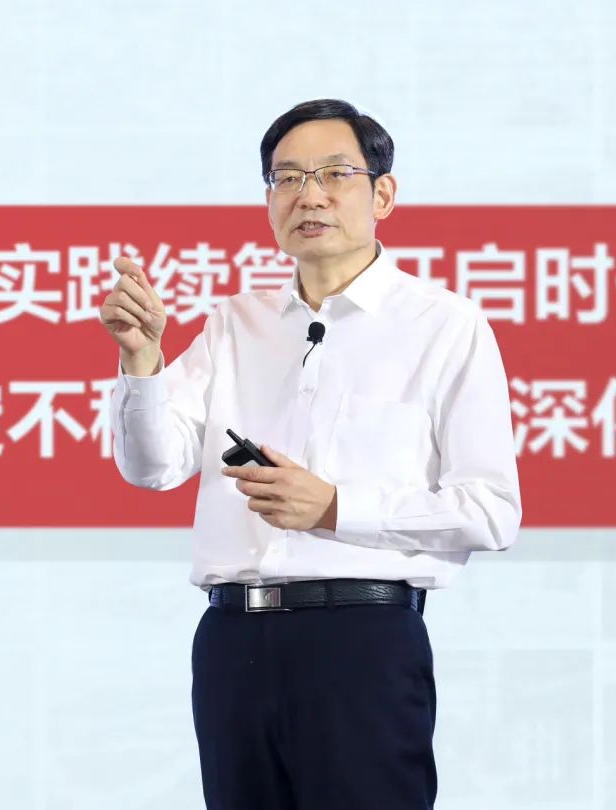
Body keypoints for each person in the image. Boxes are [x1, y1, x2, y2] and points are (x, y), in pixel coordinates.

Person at [99, 98, 522, 810]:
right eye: (287, 178)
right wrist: (143, 361)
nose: (309, 195)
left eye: (334, 174)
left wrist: (335, 508)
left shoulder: (444, 326)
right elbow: (152, 466)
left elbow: (491, 511)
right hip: (232, 641)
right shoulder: (236, 323)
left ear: (383, 194)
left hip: (360, 641)